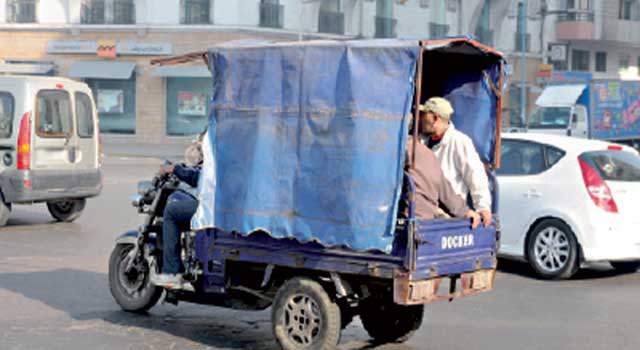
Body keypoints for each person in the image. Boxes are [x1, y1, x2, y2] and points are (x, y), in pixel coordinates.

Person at [419, 97, 493, 226]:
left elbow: (475, 175)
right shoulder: (421, 141)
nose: (421, 119)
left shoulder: (460, 142)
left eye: (424, 115)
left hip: (449, 215)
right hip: (425, 211)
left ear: (435, 118)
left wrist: (483, 207)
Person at [406, 136, 480, 228]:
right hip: (421, 220)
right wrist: (465, 212)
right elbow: (445, 192)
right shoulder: (425, 153)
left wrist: (469, 210)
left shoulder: (460, 142)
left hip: (412, 221)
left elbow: (475, 175)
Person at [150, 162, 201, 289]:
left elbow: (200, 178)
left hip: (215, 207)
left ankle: (172, 273)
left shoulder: (220, 147)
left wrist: (174, 169)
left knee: (172, 212)